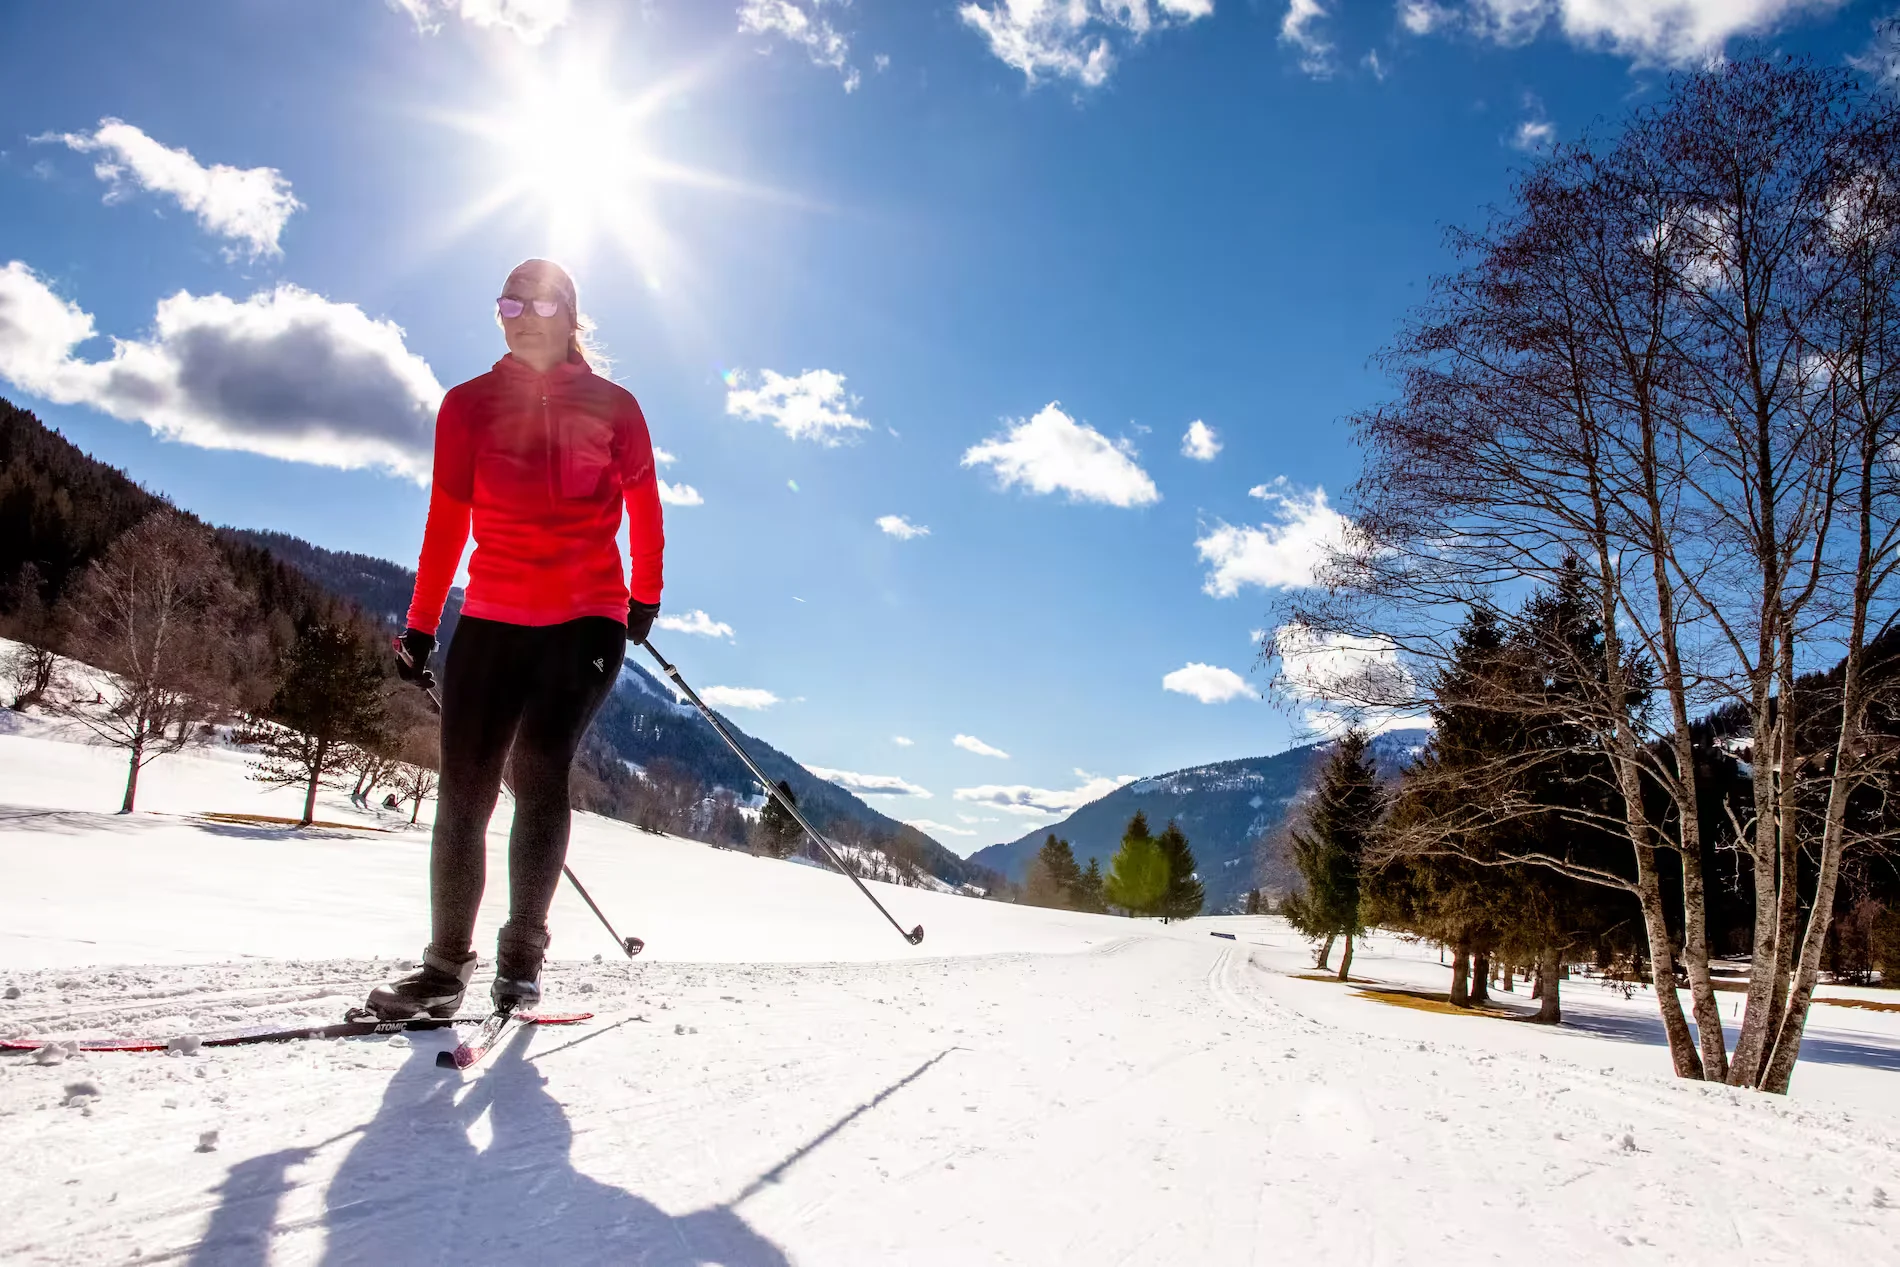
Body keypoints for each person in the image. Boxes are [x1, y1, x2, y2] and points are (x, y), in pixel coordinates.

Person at [365, 259, 664, 1020]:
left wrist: (644, 597)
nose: (521, 314)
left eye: (539, 302)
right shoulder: (467, 406)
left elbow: (644, 507)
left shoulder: (614, 406)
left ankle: (521, 960)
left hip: (586, 618)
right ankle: (442, 970)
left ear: (571, 315)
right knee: (463, 788)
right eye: (508, 302)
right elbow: (445, 523)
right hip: (493, 615)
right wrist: (421, 624)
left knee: (538, 765)